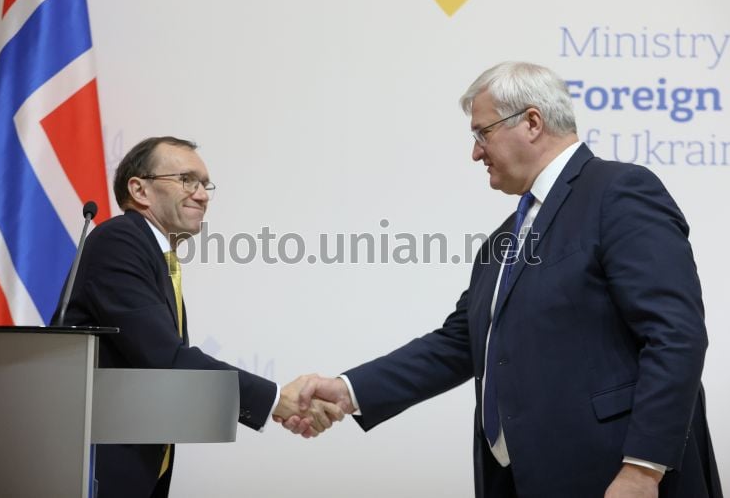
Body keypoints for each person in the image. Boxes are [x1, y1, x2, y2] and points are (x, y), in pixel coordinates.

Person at [282, 62, 722, 497]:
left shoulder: (618, 191)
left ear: (532, 122)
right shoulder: (503, 239)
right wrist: (347, 391)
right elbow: (458, 344)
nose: (476, 153)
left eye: (482, 133)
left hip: (614, 476)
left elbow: (675, 334)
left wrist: (643, 469)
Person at [52, 136, 342, 498]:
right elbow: (167, 359)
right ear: (140, 190)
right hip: (94, 471)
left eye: (205, 185)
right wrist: (274, 400)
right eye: (187, 180)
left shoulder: (158, 256)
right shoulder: (119, 241)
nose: (202, 195)